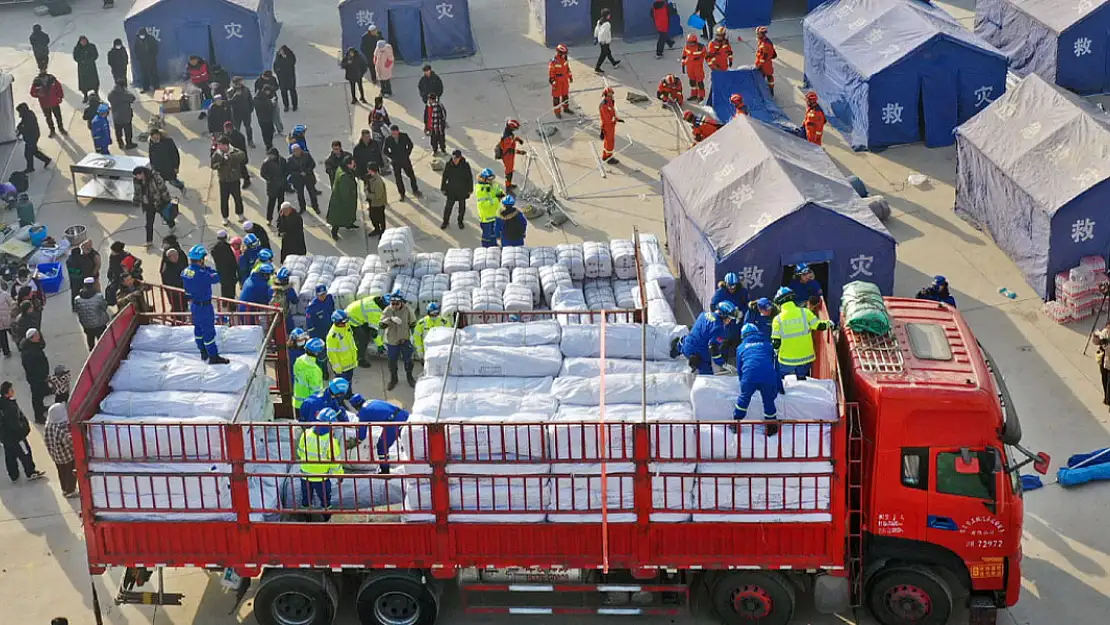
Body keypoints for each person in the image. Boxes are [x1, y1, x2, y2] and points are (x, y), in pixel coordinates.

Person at [181, 245, 231, 364]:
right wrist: (208, 269)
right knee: (208, 332)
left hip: (194, 305)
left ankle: (203, 352)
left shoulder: (185, 272)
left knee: (198, 330)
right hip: (204, 307)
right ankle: (213, 356)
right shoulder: (202, 274)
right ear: (201, 259)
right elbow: (217, 277)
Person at [771, 286, 833, 380]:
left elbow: (776, 342)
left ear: (779, 303)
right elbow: (819, 326)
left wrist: (775, 351)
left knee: (780, 379)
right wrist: (829, 324)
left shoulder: (777, 319)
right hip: (806, 358)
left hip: (786, 360)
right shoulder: (805, 313)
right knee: (802, 379)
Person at [733, 323, 781, 436]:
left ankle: (736, 422)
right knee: (768, 401)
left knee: (744, 399)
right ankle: (771, 427)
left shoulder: (741, 348)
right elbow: (775, 365)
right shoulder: (768, 345)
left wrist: (742, 381)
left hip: (749, 376)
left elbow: (739, 367)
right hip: (768, 376)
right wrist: (778, 384)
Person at [297, 408, 347, 513]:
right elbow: (335, 463)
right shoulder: (331, 442)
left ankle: (307, 519)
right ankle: (326, 518)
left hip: (304, 474)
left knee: (306, 499)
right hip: (321, 478)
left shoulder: (306, 433)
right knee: (325, 500)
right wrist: (340, 475)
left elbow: (300, 452)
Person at [671, 301, 737, 374]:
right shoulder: (719, 328)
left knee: (686, 341)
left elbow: (696, 329)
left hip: (687, 345)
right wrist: (723, 364)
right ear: (723, 315)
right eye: (729, 318)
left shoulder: (703, 315)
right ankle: (696, 363)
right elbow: (713, 347)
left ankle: (677, 348)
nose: (729, 321)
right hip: (700, 356)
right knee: (708, 376)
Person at [348, 394, 409, 472]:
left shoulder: (363, 413)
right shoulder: (371, 401)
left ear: (354, 406)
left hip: (393, 424)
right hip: (403, 415)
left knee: (382, 446)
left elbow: (362, 436)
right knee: (409, 441)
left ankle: (385, 471)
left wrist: (354, 442)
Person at [0, 381, 45, 482]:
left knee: (10, 455)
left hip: (5, 437)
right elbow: (15, 423)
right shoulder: (10, 407)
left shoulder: (2, 404)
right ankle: (30, 472)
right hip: (17, 436)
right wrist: (23, 430)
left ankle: (13, 475)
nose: (13, 391)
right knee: (25, 453)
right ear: (7, 392)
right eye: (11, 389)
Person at [380, 291, 417, 390]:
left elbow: (413, 324)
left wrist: (413, 338)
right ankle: (393, 379)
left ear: (401, 302)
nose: (395, 306)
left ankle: (409, 377)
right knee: (392, 362)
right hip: (392, 341)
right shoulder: (387, 310)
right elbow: (381, 325)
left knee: (408, 361)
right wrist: (389, 320)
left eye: (397, 303)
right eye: (392, 303)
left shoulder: (408, 310)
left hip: (405, 340)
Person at [44, 392, 77, 497]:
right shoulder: (62, 429)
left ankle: (64, 488)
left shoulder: (48, 425)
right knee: (71, 473)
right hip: (67, 457)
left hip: (55, 456)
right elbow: (70, 444)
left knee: (61, 473)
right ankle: (70, 490)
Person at [132, 166, 174, 247]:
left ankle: (172, 225)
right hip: (148, 204)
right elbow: (137, 191)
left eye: (138, 175)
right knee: (149, 223)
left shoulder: (155, 177)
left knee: (165, 215)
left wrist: (167, 200)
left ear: (142, 173)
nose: (137, 177)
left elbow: (163, 188)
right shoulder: (137, 180)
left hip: (158, 201)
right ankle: (149, 241)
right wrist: (136, 201)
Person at [211, 136, 247, 225]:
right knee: (224, 200)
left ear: (226, 145)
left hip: (234, 180)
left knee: (237, 198)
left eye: (220, 145)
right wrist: (219, 164)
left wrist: (230, 157)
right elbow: (212, 165)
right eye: (218, 145)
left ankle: (240, 214)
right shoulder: (217, 154)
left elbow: (242, 155)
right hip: (223, 181)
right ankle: (225, 217)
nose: (219, 147)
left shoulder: (234, 151)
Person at [20, 328, 51, 422]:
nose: (39, 336)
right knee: (37, 397)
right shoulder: (28, 352)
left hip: (41, 377)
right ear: (31, 338)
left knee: (40, 395)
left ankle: (41, 408)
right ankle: (39, 417)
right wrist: (41, 377)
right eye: (37, 335)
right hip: (36, 379)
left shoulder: (34, 345)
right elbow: (32, 368)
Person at [383, 125, 421, 200]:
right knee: (398, 179)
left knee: (411, 175)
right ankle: (402, 193)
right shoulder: (388, 139)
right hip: (396, 162)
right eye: (392, 133)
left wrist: (407, 154)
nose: (393, 135)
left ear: (398, 131)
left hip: (405, 160)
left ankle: (415, 190)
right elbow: (385, 150)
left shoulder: (404, 136)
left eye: (395, 133)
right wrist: (392, 157)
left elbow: (410, 145)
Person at [346, 294, 384, 367]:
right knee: (363, 339)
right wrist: (380, 345)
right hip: (352, 320)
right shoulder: (375, 312)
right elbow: (374, 333)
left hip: (355, 313)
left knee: (366, 333)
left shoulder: (374, 298)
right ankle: (360, 359)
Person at [73, 277, 110, 349]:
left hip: (86, 325)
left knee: (90, 338)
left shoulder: (77, 299)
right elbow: (104, 307)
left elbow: (77, 310)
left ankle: (91, 350)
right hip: (99, 324)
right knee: (102, 340)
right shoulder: (98, 297)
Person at [327, 157, 359, 240]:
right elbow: (344, 191)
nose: (354, 164)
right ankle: (334, 233)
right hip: (342, 201)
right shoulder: (344, 176)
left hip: (341, 198)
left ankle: (349, 224)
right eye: (353, 163)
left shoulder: (342, 168)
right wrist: (347, 202)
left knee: (346, 214)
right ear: (348, 165)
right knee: (338, 218)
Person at [440, 149, 472, 230]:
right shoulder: (448, 165)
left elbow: (469, 178)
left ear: (460, 158)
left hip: (462, 190)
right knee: (448, 207)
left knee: (462, 208)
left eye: (457, 158)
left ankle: (460, 221)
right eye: (454, 158)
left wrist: (470, 189)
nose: (455, 160)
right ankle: (445, 221)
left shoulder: (465, 165)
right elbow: (444, 177)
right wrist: (443, 188)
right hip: (451, 190)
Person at [14, 104, 51, 174]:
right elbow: (22, 122)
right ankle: (46, 160)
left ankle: (30, 168)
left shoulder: (29, 117)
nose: (19, 113)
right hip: (32, 136)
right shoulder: (27, 114)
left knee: (28, 153)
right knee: (33, 151)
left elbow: (26, 128)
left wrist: (20, 131)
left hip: (32, 137)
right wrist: (19, 127)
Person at [292, 335, 324, 417]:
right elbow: (316, 391)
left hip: (297, 403)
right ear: (316, 353)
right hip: (309, 406)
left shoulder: (299, 360)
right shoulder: (314, 370)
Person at [474, 168, 505, 247]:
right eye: (489, 179)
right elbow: (483, 204)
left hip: (495, 215)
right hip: (486, 218)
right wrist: (497, 199)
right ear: (484, 179)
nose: (491, 181)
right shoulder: (481, 190)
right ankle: (486, 248)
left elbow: (498, 190)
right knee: (487, 237)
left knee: (494, 234)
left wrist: (501, 194)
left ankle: (494, 245)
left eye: (492, 179)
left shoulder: (493, 185)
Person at [29, 70, 65, 137]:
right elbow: (32, 92)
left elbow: (59, 87)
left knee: (58, 116)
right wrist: (38, 94)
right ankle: (52, 130)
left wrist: (60, 97)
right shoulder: (36, 82)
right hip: (45, 104)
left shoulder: (52, 79)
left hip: (54, 102)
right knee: (48, 118)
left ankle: (61, 128)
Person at [326, 310, 358, 385]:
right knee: (341, 385)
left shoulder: (347, 327)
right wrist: (337, 367)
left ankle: (349, 395)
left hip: (350, 363)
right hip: (342, 368)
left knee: (349, 382)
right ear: (336, 322)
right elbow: (331, 353)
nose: (345, 324)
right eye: (343, 323)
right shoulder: (332, 335)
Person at [287, 144, 320, 214]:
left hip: (308, 177)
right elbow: (289, 170)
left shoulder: (307, 155)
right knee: (300, 194)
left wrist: (306, 171)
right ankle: (302, 208)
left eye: (298, 150)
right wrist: (299, 173)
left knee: (312, 193)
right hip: (298, 180)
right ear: (292, 152)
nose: (297, 152)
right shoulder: (290, 159)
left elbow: (312, 164)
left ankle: (315, 207)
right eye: (295, 151)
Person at [107, 79, 137, 149]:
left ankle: (120, 143)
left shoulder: (111, 94)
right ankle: (129, 143)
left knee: (118, 132)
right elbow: (133, 98)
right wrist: (126, 90)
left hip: (116, 116)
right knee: (128, 131)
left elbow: (109, 99)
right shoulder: (125, 94)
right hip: (126, 116)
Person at [210, 231, 239, 301]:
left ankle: (224, 302)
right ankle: (231, 306)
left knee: (224, 288)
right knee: (231, 292)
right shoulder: (228, 248)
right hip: (230, 274)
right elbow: (233, 262)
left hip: (221, 273)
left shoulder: (215, 249)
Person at [221, 120, 251, 188]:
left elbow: (240, 148)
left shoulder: (238, 136)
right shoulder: (227, 134)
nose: (224, 130)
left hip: (239, 156)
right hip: (233, 156)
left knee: (242, 168)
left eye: (225, 128)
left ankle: (247, 180)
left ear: (229, 128)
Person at [260, 149, 288, 224]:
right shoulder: (266, 162)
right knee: (271, 204)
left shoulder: (282, 160)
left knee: (281, 203)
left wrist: (284, 179)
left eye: (271, 155)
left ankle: (281, 218)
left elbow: (286, 170)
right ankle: (269, 218)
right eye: (269, 155)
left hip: (281, 185)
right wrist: (269, 179)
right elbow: (262, 173)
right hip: (272, 186)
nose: (269, 157)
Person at [495, 119, 525, 188]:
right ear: (511, 127)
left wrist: (518, 139)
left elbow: (512, 139)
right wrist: (520, 152)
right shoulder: (507, 139)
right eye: (515, 128)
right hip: (507, 157)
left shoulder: (508, 133)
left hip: (508, 155)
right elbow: (510, 150)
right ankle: (508, 186)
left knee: (510, 171)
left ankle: (508, 184)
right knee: (509, 172)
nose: (515, 130)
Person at [228, 76, 256, 148]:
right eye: (239, 83)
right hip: (236, 113)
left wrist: (251, 109)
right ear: (234, 84)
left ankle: (250, 141)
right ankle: (237, 142)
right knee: (236, 129)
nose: (241, 84)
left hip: (246, 112)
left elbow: (250, 100)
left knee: (248, 127)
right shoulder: (230, 91)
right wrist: (235, 96)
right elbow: (228, 102)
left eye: (241, 82)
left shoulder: (246, 89)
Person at [548, 44, 574, 118]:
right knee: (556, 98)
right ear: (559, 53)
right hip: (557, 81)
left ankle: (566, 108)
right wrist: (552, 81)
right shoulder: (554, 61)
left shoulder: (565, 59)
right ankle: (557, 112)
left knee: (565, 96)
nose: (565, 55)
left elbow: (567, 69)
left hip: (565, 81)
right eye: (563, 53)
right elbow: (551, 72)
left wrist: (570, 77)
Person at [599, 86, 622, 165]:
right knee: (610, 142)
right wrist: (615, 119)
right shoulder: (604, 105)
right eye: (610, 94)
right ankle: (609, 158)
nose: (612, 95)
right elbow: (607, 118)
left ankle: (605, 156)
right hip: (608, 126)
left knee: (608, 141)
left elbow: (611, 112)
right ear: (606, 94)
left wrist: (616, 118)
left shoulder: (609, 102)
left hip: (610, 125)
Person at [73, 36, 100, 103]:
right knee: (84, 83)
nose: (83, 42)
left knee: (94, 81)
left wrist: (90, 60)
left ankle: (96, 93)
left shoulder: (91, 46)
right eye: (82, 41)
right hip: (82, 68)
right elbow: (76, 57)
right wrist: (82, 61)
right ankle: (85, 96)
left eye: (84, 41)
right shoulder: (77, 48)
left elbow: (95, 55)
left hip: (91, 67)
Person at [681, 33, 707, 102]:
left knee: (700, 82)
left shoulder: (700, 47)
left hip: (698, 67)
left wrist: (698, 60)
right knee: (692, 82)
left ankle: (701, 96)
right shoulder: (687, 47)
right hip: (689, 67)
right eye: (689, 42)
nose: (690, 44)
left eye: (691, 43)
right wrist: (683, 61)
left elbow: (705, 55)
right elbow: (684, 55)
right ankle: (694, 95)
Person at [160, 247, 188, 312]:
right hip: (175, 294)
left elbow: (186, 270)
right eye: (174, 256)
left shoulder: (179, 263)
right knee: (177, 309)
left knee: (184, 307)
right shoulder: (167, 269)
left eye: (177, 255)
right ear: (169, 257)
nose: (176, 257)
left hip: (183, 291)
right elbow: (171, 281)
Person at [593, 9, 621, 73]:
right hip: (604, 42)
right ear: (606, 15)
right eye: (608, 14)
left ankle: (614, 63)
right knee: (603, 54)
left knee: (608, 52)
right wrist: (603, 41)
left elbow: (596, 29)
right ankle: (597, 67)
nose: (609, 16)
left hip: (601, 41)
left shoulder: (600, 21)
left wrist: (596, 37)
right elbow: (603, 33)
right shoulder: (607, 24)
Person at [364, 165, 389, 237]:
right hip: (372, 203)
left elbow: (377, 196)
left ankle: (382, 232)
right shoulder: (369, 177)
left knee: (380, 218)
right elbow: (366, 186)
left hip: (378, 203)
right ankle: (377, 229)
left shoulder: (378, 181)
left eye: (368, 169)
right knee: (372, 217)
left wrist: (367, 194)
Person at [134, 28, 160, 92]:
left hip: (151, 60)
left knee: (154, 74)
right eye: (140, 35)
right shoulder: (137, 41)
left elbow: (155, 48)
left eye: (142, 34)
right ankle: (146, 88)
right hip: (143, 61)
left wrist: (152, 56)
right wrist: (139, 58)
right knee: (144, 75)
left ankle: (156, 87)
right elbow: (136, 50)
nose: (141, 36)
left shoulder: (151, 39)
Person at [255, 85, 279, 151]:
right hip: (264, 119)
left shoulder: (261, 96)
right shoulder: (259, 98)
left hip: (266, 118)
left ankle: (269, 144)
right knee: (266, 132)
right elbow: (266, 107)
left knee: (270, 131)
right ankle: (268, 145)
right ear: (266, 91)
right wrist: (271, 103)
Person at [274, 45, 298, 111]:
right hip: (282, 78)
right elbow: (275, 65)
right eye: (280, 51)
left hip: (290, 77)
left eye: (282, 51)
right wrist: (277, 71)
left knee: (292, 91)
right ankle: (286, 106)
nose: (281, 52)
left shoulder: (290, 56)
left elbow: (292, 63)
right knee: (283, 93)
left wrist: (286, 58)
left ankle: (295, 105)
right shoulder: (278, 57)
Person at [754, 26, 777, 96]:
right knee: (768, 76)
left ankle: (768, 91)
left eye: (758, 34)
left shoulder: (765, 44)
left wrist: (759, 65)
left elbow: (764, 57)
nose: (757, 35)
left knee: (765, 77)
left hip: (765, 64)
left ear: (762, 34)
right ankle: (770, 90)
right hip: (766, 63)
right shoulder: (764, 41)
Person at [0, 284, 12, 357]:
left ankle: (21, 346)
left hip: (8, 319)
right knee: (2, 338)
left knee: (14, 333)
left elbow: (12, 304)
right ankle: (6, 352)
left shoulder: (5, 295)